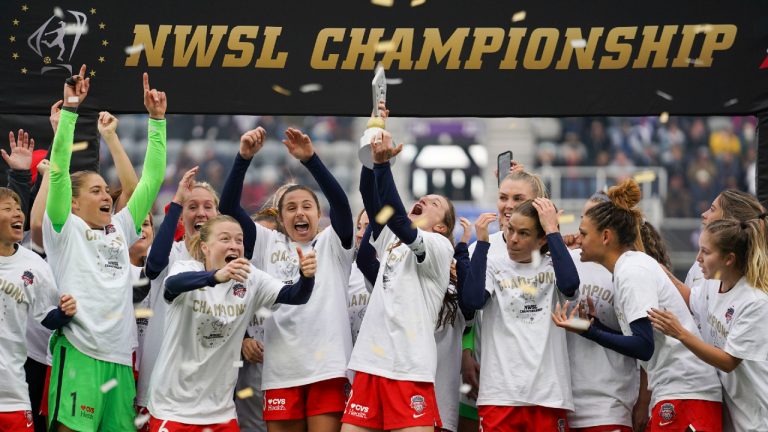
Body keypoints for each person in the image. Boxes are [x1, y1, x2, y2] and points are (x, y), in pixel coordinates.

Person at [44, 66, 167, 432]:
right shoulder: (64, 229)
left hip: (120, 357)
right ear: (74, 203)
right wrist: (70, 110)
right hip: (80, 351)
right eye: (95, 191)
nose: (106, 196)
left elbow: (152, 180)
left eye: (105, 190)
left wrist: (157, 121)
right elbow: (59, 171)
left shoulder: (120, 229)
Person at [553, 179, 723, 432]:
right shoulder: (626, 268)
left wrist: (591, 331)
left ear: (606, 236)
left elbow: (643, 346)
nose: (579, 239)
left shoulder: (631, 271)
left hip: (686, 391)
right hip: (676, 391)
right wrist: (593, 324)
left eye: (585, 233)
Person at [219, 127, 355, 432]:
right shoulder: (268, 243)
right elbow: (227, 210)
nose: (299, 213)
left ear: (319, 214)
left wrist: (311, 160)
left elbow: (343, 206)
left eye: (307, 206)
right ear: (281, 218)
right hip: (281, 370)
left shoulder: (333, 244)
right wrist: (243, 158)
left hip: (327, 368)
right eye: (291, 208)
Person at [147, 215, 318, 431]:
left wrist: (306, 276)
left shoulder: (250, 278)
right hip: (174, 409)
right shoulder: (186, 268)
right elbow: (172, 284)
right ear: (205, 247)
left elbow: (296, 296)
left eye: (239, 240)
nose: (234, 245)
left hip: (221, 413)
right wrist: (216, 277)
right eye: (225, 239)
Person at [342, 128, 455, 431]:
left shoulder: (439, 248)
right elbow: (373, 201)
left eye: (433, 203)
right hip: (368, 363)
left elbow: (401, 222)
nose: (423, 199)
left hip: (408, 369)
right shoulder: (390, 238)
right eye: (422, 197)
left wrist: (383, 166)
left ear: (443, 228)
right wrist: (372, 144)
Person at [458, 198, 579, 431]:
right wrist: (482, 244)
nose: (513, 239)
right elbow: (473, 301)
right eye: (510, 229)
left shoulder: (553, 264)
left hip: (548, 395)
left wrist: (553, 229)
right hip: (500, 394)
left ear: (542, 238)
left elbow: (571, 286)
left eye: (523, 233)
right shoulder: (493, 262)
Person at [648, 217, 768, 431]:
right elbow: (691, 299)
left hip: (756, 420)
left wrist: (680, 333)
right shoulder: (713, 285)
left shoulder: (754, 301)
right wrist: (658, 271)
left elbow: (728, 362)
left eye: (706, 252)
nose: (698, 258)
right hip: (731, 413)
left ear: (729, 258)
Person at [456, 168, 547, 432]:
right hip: (487, 375)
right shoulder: (480, 247)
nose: (508, 206)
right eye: (503, 197)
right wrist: (465, 351)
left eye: (518, 198)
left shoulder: (550, 249)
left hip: (539, 386)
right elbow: (467, 310)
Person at [0, 187, 76, 432]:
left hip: (13, 394)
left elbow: (48, 318)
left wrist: (65, 312)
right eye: (7, 208)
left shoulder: (33, 265)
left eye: (19, 208)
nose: (17, 214)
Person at [566, 193, 640, 432]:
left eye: (587, 228)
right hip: (564, 401)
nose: (580, 233)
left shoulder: (629, 270)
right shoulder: (567, 262)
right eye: (581, 220)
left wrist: (645, 400)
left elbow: (648, 342)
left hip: (610, 403)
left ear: (606, 232)